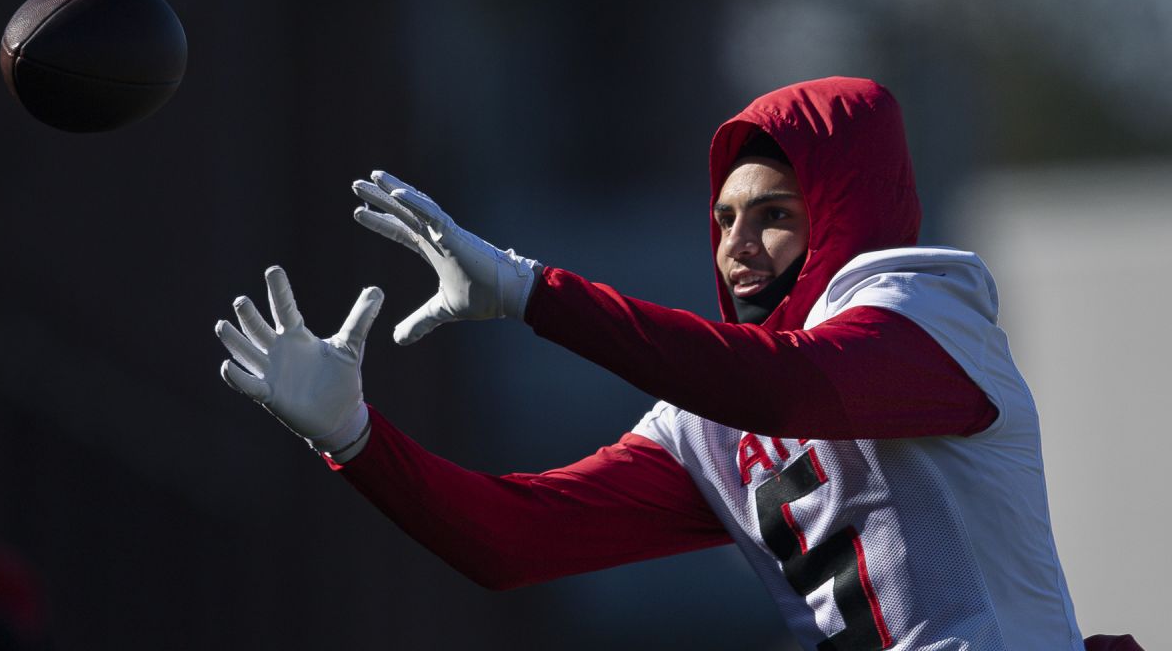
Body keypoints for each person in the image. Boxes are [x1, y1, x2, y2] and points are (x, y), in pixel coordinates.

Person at [215, 77, 1140, 650]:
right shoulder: (709, 419)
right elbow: (513, 541)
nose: (738, 246)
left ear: (847, 209)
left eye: (776, 213)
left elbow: (791, 389)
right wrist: (354, 437)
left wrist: (532, 291)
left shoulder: (930, 310)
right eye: (725, 218)